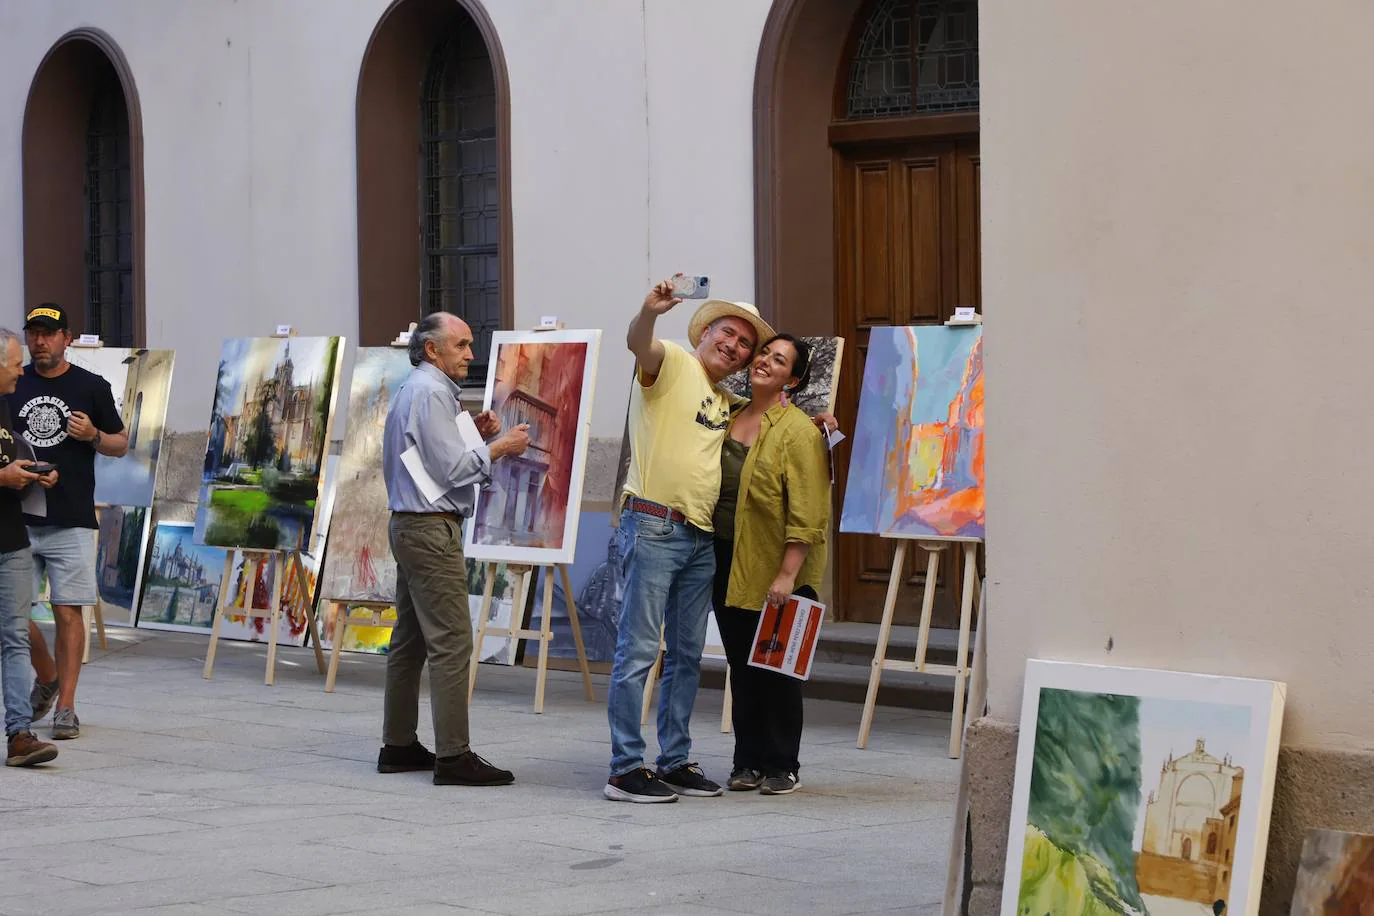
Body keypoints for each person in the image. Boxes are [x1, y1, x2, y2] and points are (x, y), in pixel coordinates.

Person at [604, 278, 775, 803]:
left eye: (746, 344)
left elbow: (770, 424)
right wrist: (648, 311)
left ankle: (673, 760)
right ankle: (624, 768)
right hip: (656, 523)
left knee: (685, 655)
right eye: (728, 333)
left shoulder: (727, 401)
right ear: (705, 334)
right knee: (637, 651)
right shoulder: (673, 362)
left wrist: (824, 425)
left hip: (701, 538)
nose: (734, 345)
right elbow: (640, 344)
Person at [377, 311, 531, 786]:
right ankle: (453, 756)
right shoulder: (430, 392)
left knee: (410, 641)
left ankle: (399, 745)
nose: (470, 354)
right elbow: (448, 472)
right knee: (452, 641)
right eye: (461, 345)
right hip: (428, 528)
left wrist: (477, 437)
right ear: (432, 349)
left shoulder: (420, 389)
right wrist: (501, 446)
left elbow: (431, 457)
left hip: (413, 524)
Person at [712, 334, 830, 797]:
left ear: (793, 379)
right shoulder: (730, 415)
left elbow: (809, 510)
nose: (764, 361)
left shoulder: (799, 432)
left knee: (776, 669)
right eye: (764, 353)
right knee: (741, 666)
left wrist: (787, 573)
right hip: (726, 557)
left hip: (776, 564)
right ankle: (748, 760)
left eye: (778, 360)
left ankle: (782, 763)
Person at [8, 304, 128, 740]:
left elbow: (120, 443)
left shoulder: (90, 386)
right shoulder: (12, 382)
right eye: (34, 333)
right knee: (11, 612)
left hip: (72, 517)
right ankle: (47, 674)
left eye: (49, 333)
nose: (40, 341)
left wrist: (92, 435)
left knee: (68, 611)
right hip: (17, 516)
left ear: (67, 337)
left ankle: (67, 706)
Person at [0, 327, 61, 766]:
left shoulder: (4, 405)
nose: (20, 370)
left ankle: (19, 734)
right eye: (13, 363)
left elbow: (7, 458)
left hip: (10, 541)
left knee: (15, 636)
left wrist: (34, 473)